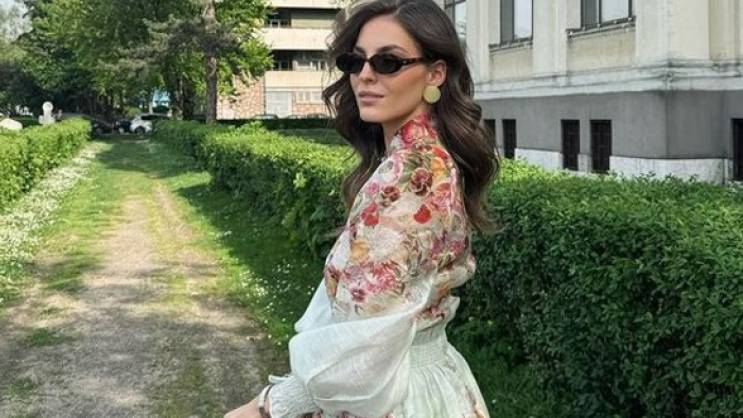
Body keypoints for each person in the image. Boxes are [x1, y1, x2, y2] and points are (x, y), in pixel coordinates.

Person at [225, 0, 499, 417]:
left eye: (388, 62)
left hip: (391, 394)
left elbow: (364, 336)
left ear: (435, 73)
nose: (365, 75)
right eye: (355, 61)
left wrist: (266, 408)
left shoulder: (413, 173)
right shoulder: (420, 159)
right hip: (418, 381)